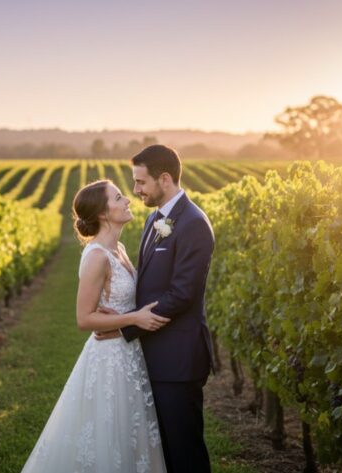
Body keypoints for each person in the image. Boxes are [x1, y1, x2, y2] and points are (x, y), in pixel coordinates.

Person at [21, 179, 168, 473]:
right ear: (103, 213)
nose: (127, 200)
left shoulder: (120, 249)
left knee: (131, 434)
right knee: (108, 437)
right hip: (109, 358)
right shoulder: (97, 256)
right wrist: (133, 319)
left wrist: (128, 319)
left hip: (127, 353)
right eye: (118, 197)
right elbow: (84, 319)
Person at [97, 144, 215, 472]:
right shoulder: (154, 219)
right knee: (162, 450)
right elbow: (148, 283)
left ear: (165, 179)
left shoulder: (193, 223)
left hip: (178, 360)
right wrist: (121, 313)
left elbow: (182, 294)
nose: (135, 191)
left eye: (140, 182)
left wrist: (126, 326)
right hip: (153, 355)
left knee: (184, 452)